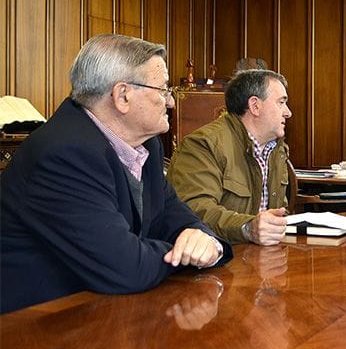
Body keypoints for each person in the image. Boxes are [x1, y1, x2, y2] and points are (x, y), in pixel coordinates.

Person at [0, 34, 232, 314]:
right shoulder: (63, 154)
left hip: (102, 312)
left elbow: (174, 215)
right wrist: (186, 254)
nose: (171, 102)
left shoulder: (146, 145)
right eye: (163, 89)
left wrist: (205, 241)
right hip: (36, 325)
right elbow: (125, 267)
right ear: (122, 96)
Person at [167, 69, 292, 246]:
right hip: (217, 261)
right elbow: (194, 210)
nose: (288, 112)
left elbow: (278, 212)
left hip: (262, 258)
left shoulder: (276, 148)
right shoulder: (203, 145)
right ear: (255, 106)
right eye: (281, 103)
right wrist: (247, 227)